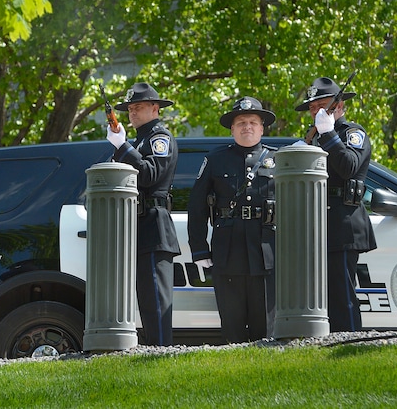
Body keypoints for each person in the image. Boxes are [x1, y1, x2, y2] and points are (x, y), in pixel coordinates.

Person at [187, 97, 277, 343]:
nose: (247, 126)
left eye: (252, 122)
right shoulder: (216, 159)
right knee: (232, 321)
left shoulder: (278, 161)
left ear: (261, 128)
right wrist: (199, 250)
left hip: (266, 250)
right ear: (232, 128)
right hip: (228, 250)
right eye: (241, 122)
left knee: (265, 324)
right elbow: (197, 207)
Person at [295, 76, 376, 332]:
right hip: (314, 224)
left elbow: (349, 167)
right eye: (312, 107)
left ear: (339, 107)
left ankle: (348, 341)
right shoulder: (312, 138)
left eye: (323, 105)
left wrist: (328, 133)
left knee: (341, 293)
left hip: (342, 222)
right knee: (319, 297)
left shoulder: (352, 133)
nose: (316, 111)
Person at [106, 82, 181, 346]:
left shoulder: (159, 138)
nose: (132, 113)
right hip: (134, 226)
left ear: (155, 108)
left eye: (138, 107)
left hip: (153, 224)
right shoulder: (139, 140)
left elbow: (149, 175)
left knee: (156, 301)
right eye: (129, 109)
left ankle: (161, 350)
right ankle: (151, 348)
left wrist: (123, 146)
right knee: (143, 300)